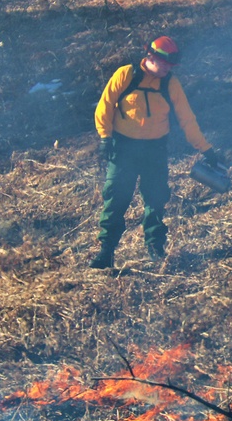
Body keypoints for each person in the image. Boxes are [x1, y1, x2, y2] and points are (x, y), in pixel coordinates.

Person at [91, 35, 221, 269]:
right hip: (123, 149)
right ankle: (106, 252)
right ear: (150, 57)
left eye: (171, 66)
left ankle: (155, 248)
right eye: (165, 64)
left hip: (155, 150)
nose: (168, 69)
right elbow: (105, 106)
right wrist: (105, 137)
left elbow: (187, 119)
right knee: (115, 198)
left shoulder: (170, 84)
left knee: (156, 199)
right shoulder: (126, 75)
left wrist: (206, 149)